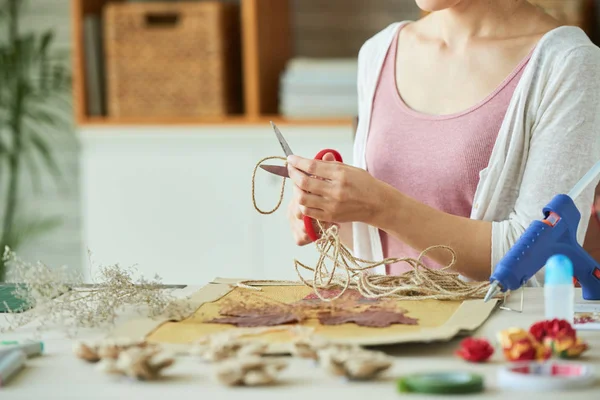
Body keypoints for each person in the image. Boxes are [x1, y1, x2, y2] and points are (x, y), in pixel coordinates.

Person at [285, 0, 600, 284]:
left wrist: (380, 205)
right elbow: (393, 247)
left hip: (490, 343)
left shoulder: (570, 63)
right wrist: (332, 213)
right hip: (392, 331)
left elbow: (538, 259)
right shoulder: (380, 51)